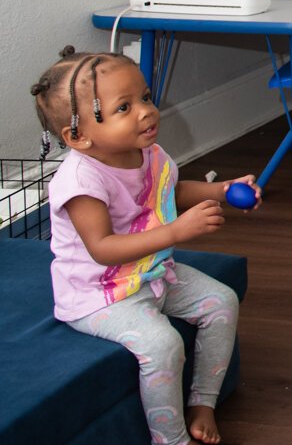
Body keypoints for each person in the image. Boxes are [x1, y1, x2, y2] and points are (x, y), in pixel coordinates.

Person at [33, 46, 257, 445]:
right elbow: (102, 248)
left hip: (150, 271)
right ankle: (169, 438)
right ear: (78, 135)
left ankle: (203, 400)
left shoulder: (148, 154)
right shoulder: (81, 182)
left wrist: (223, 190)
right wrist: (175, 233)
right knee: (162, 343)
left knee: (222, 301)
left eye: (146, 97)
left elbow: (172, 190)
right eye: (124, 107)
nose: (146, 111)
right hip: (100, 294)